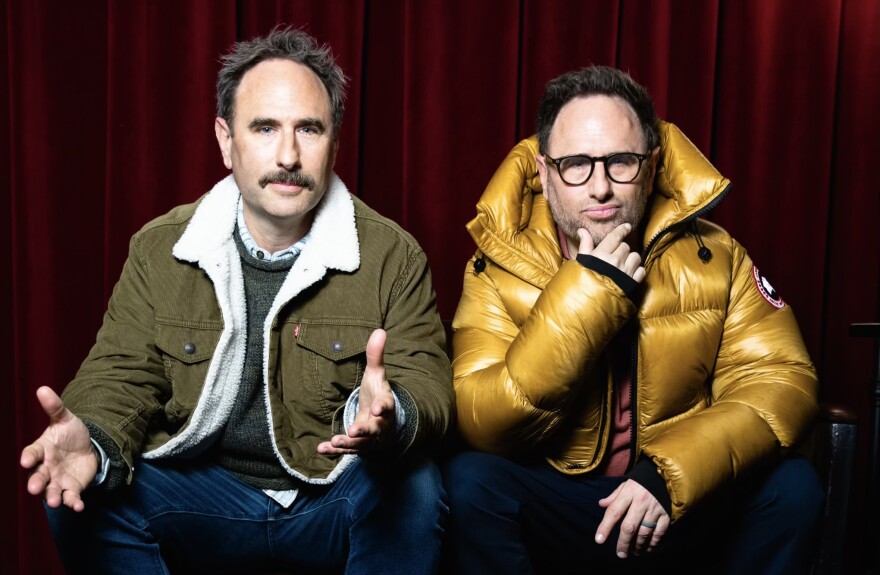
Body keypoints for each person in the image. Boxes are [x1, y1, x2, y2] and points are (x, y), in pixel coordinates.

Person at [19, 26, 454, 575]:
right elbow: (122, 373)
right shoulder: (160, 249)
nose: (289, 154)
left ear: (335, 143)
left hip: (332, 498)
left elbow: (427, 379)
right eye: (266, 128)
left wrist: (391, 416)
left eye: (309, 130)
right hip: (206, 502)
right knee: (80, 488)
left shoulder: (394, 254)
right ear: (226, 141)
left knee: (413, 485)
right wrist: (95, 441)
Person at [443, 65, 822, 574]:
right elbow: (481, 419)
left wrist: (669, 475)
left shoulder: (716, 254)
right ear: (543, 169)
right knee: (471, 481)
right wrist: (588, 295)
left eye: (620, 161)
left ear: (652, 163)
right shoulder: (495, 266)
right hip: (564, 501)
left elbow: (783, 381)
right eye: (576, 164)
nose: (599, 187)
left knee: (792, 488)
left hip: (676, 501)